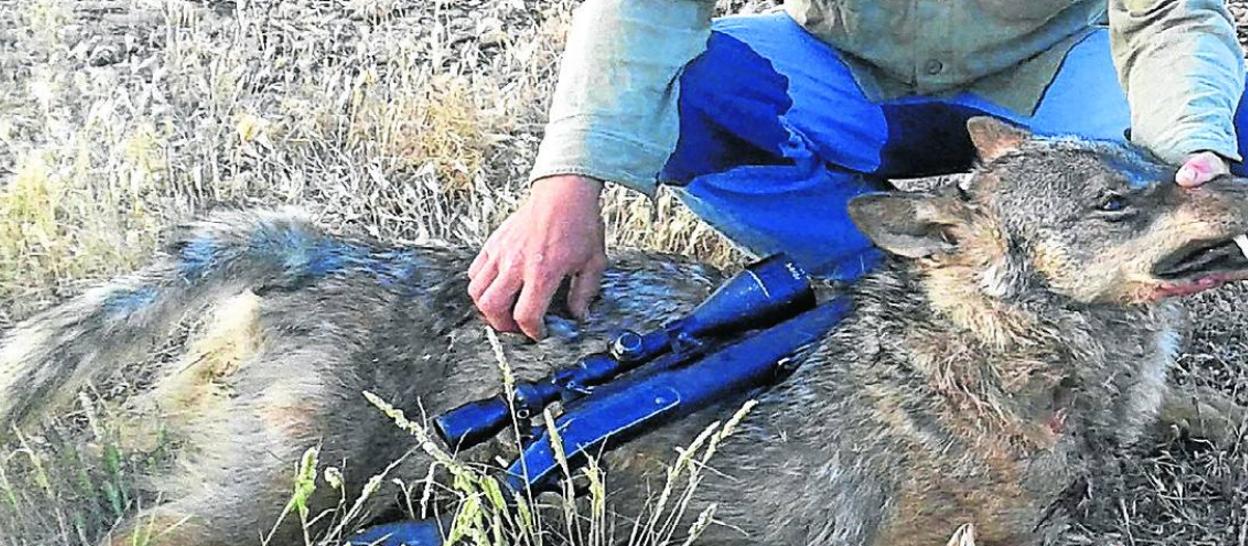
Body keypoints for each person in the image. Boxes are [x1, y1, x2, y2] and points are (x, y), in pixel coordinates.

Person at [468, 0, 1248, 339]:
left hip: (1048, 78)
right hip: (847, 76)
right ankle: (885, 277)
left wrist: (1195, 152)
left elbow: (1171, 18)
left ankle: (1106, 294)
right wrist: (567, 180)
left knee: (1229, 115)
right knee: (692, 97)